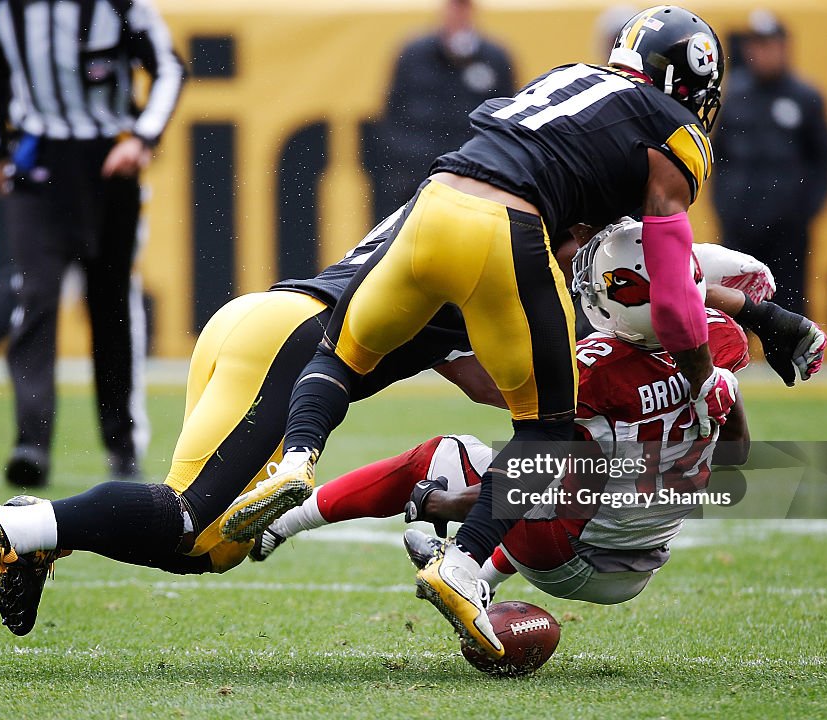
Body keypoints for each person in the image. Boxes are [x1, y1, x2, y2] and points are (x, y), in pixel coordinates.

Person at [0, 218, 824, 640]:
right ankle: (14, 527)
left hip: (265, 322)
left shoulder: (482, 207)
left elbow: (650, 289)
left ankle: (44, 540)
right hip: (289, 344)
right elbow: (507, 375)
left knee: (215, 542)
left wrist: (744, 319)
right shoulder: (520, 254)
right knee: (193, 534)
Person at [227, 6, 736, 659]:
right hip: (504, 227)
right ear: (691, 84)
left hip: (432, 201)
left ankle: (295, 461)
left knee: (341, 356)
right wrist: (705, 380)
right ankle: (465, 563)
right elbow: (671, 301)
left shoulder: (569, 78)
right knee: (548, 428)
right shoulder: (676, 132)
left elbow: (566, 213)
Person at [254, 222, 754, 608]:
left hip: (565, 557)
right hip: (640, 569)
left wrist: (441, 501)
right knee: (594, 468)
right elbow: (736, 452)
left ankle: (285, 520)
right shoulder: (722, 339)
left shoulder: (593, 371)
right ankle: (484, 578)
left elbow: (512, 437)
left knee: (449, 456)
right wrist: (718, 394)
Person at [0, 0, 185, 486]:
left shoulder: (118, 4)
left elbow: (170, 68)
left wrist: (142, 136)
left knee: (110, 304)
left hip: (109, 159)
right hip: (40, 159)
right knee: (36, 294)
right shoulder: (3, 8)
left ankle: (123, 446)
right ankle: (31, 442)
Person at [711, 9, 827, 316]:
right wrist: (725, 204)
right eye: (756, 44)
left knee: (790, 296)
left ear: (784, 46)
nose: (761, 52)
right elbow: (718, 154)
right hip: (740, 218)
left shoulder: (804, 96)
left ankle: (797, 356)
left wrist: (804, 209)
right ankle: (734, 360)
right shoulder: (734, 93)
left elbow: (823, 159)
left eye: (769, 44)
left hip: (786, 223)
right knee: (735, 298)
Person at [368, 0, 514, 220]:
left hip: (475, 179)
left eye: (462, 6)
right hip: (418, 179)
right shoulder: (413, 55)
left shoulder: (494, 57)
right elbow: (393, 115)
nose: (457, 12)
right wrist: (411, 165)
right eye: (453, 6)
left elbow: (505, 116)